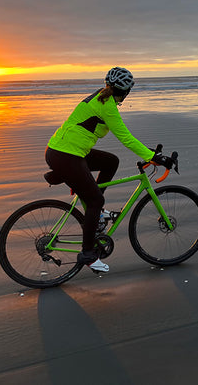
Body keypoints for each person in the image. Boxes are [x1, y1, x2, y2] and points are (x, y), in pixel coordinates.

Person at [45, 67, 159, 273]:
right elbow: (125, 138)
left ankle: (94, 214)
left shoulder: (101, 95)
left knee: (110, 162)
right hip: (66, 155)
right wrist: (152, 157)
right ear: (126, 92)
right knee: (96, 200)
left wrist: (148, 153)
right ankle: (88, 254)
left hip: (64, 151)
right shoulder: (107, 106)